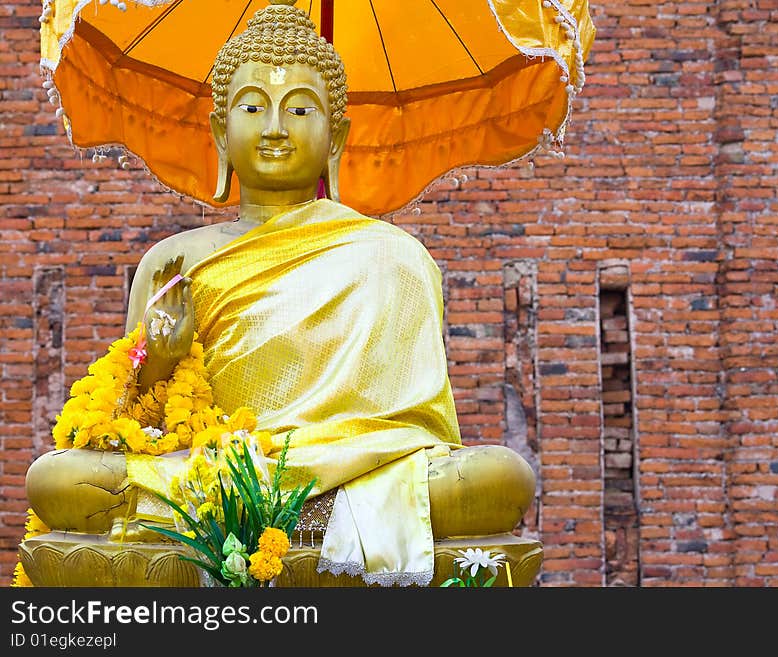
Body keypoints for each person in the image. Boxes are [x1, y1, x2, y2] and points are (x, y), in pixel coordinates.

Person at [26, 0, 535, 586]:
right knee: (58, 481)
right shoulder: (175, 261)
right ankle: (315, 527)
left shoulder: (392, 255)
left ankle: (303, 520)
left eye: (300, 109)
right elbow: (126, 424)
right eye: (252, 107)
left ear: (336, 135)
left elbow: (414, 428)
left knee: (499, 478)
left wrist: (319, 471)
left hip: (360, 476)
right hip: (211, 479)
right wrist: (159, 360)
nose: (274, 128)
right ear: (221, 129)